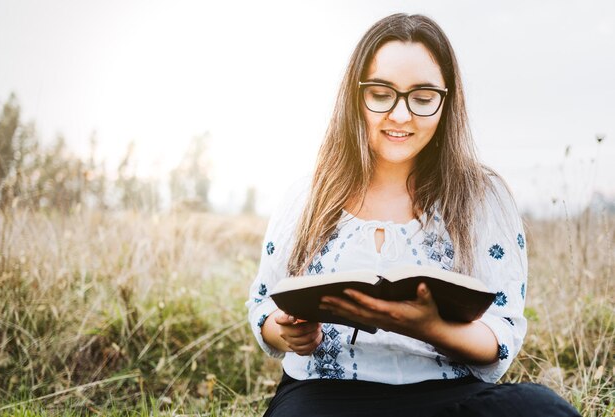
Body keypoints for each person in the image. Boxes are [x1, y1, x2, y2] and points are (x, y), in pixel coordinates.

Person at [247, 13, 581, 417]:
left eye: (422, 98)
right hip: (324, 396)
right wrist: (288, 332)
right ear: (355, 96)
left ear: (447, 100)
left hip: (447, 395)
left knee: (540, 409)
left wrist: (429, 328)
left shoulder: (483, 197)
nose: (401, 116)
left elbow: (502, 332)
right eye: (381, 93)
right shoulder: (308, 195)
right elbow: (265, 306)